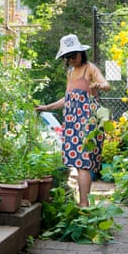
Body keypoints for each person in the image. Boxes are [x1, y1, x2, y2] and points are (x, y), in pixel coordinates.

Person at [36, 34, 110, 207]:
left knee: (84, 163)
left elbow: (106, 85)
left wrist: (99, 86)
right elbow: (67, 98)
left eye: (73, 55)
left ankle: (84, 204)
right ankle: (83, 204)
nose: (71, 60)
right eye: (67, 57)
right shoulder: (70, 73)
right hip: (71, 121)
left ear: (81, 53)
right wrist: (47, 108)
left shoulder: (89, 68)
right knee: (77, 164)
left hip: (87, 121)